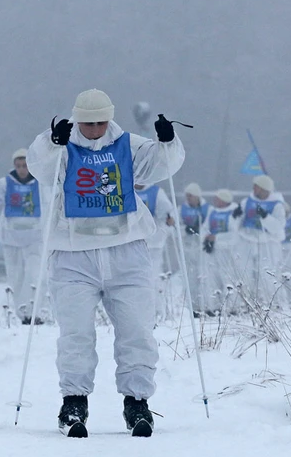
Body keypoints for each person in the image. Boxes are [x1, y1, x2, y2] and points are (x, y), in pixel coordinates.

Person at [27, 91, 185, 438]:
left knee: (137, 330)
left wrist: (168, 141)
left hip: (127, 251)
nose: (94, 129)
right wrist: (53, 143)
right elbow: (40, 166)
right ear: (77, 119)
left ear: (109, 119)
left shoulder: (129, 146)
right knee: (76, 333)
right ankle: (74, 401)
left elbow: (162, 164)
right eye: (88, 123)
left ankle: (137, 402)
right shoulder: (62, 143)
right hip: (73, 254)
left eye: (100, 122)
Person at [0, 148, 48, 324]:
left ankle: (36, 312)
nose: (22, 169)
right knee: (16, 276)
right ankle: (22, 314)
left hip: (35, 237)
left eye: (25, 165)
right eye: (19, 165)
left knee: (36, 274)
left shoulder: (42, 184)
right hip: (11, 237)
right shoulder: (4, 184)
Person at [233, 174, 286, 308]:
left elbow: (278, 227)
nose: (254, 189)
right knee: (244, 272)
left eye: (256, 186)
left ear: (264, 188)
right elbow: (237, 224)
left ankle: (270, 304)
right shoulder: (247, 202)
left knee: (266, 274)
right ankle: (245, 304)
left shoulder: (277, 204)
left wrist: (265, 216)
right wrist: (236, 216)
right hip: (247, 240)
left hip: (267, 243)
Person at [134, 182, 176, 323]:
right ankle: (136, 311)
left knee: (152, 277)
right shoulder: (126, 188)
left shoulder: (156, 192)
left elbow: (168, 218)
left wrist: (160, 234)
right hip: (132, 243)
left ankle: (156, 310)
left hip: (153, 244)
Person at [202, 189, 240, 314]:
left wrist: (217, 238)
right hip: (213, 250)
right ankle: (215, 306)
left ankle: (231, 307)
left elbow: (234, 234)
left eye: (217, 198)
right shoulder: (212, 212)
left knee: (228, 278)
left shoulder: (233, 212)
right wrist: (206, 239)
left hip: (227, 252)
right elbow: (205, 228)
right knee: (213, 277)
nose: (215, 200)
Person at [179, 183, 210, 315]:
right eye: (187, 196)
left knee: (204, 276)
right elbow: (175, 226)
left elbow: (210, 225)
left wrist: (201, 230)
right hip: (188, 247)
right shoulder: (181, 209)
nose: (188, 198)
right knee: (190, 277)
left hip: (202, 248)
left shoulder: (207, 209)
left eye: (190, 196)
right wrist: (185, 230)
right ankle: (193, 307)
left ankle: (207, 305)